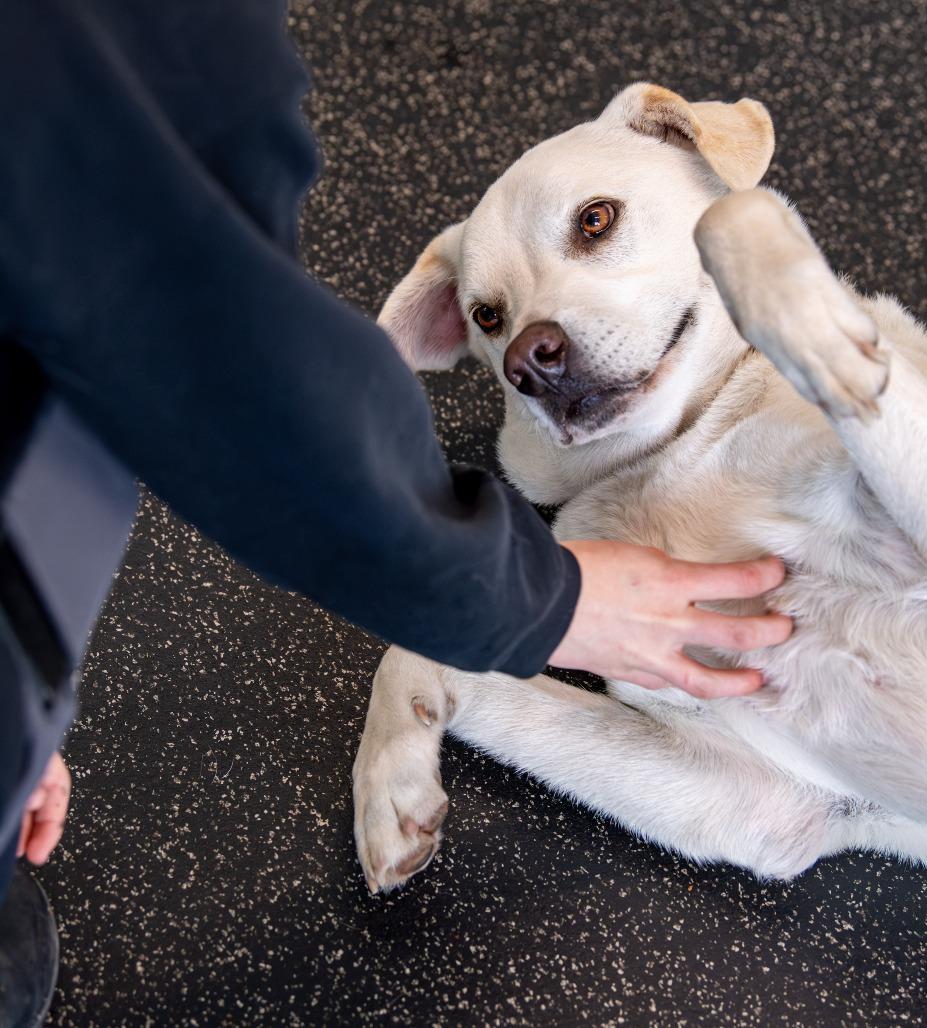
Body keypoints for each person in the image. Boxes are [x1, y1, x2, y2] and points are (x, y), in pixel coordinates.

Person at [0, 2, 792, 1022]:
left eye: (593, 225)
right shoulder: (167, 62)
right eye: (495, 323)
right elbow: (239, 383)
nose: (532, 348)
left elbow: (773, 817)